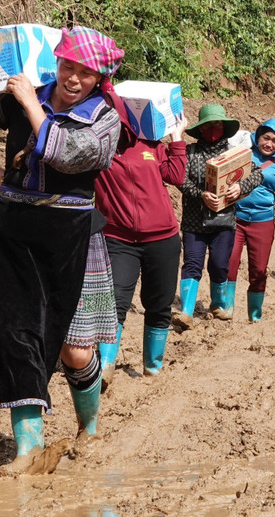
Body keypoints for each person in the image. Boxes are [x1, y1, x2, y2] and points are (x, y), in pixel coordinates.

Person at [0, 26, 125, 470]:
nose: (73, 78)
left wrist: (30, 104)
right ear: (56, 63)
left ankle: (89, 427)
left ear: (100, 78)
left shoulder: (105, 119)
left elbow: (73, 155)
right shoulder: (24, 93)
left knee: (75, 350)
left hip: (73, 235)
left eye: (85, 73)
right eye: (67, 66)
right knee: (16, 333)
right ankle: (28, 448)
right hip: (12, 228)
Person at [94, 112, 188, 387]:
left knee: (159, 303)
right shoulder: (96, 149)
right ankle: (104, 367)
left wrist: (177, 137)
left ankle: (152, 368)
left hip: (162, 238)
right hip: (118, 239)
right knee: (112, 301)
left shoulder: (150, 145)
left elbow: (176, 176)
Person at [173, 104, 263, 329]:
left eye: (217, 124)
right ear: (200, 129)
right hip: (194, 221)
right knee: (192, 263)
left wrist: (240, 187)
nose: (213, 129)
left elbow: (257, 175)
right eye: (208, 125)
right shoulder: (190, 153)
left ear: (224, 127)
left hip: (224, 221)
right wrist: (201, 194)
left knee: (219, 264)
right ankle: (186, 311)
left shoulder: (234, 154)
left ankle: (218, 305)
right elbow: (180, 179)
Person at [226, 118, 275, 322]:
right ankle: (225, 311)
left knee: (259, 270)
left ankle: (255, 316)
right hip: (235, 219)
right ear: (257, 137)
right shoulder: (242, 154)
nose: (269, 144)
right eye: (266, 138)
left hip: (263, 223)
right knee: (229, 263)